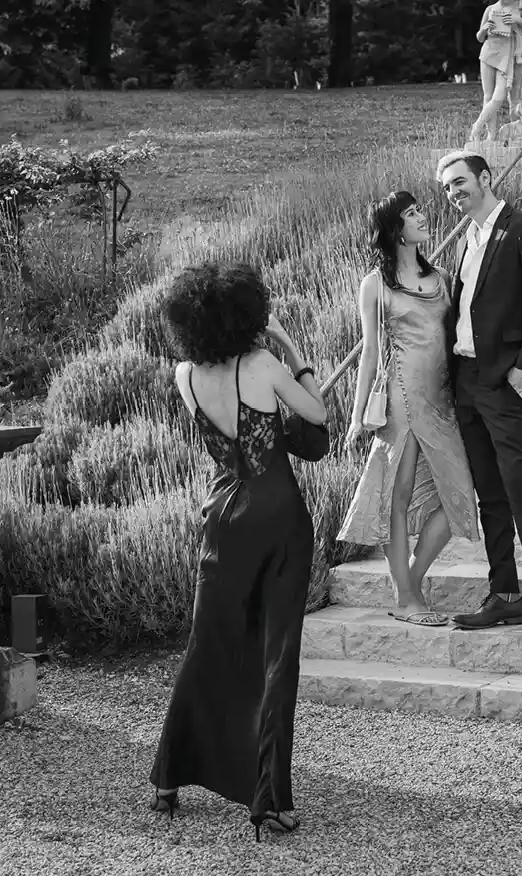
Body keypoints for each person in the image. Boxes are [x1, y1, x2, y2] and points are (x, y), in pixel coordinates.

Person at [150, 262, 329, 839]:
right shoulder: (261, 364)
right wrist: (288, 343)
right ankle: (269, 801)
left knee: (209, 645)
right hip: (278, 518)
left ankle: (167, 778)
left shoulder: (183, 374)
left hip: (221, 519)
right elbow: (318, 414)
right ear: (245, 315)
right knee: (278, 658)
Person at [434, 150, 522, 643]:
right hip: (467, 380)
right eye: (447, 187)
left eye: (460, 182)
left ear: (485, 177)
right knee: (489, 493)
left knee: (520, 488)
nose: (453, 193)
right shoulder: (466, 239)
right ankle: (505, 595)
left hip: (506, 380)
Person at [338, 192, 481, 627]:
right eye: (411, 214)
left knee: (460, 495)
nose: (422, 217)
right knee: (395, 501)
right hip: (401, 403)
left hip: (442, 402)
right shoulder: (375, 284)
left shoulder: (440, 277)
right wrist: (356, 415)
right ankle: (406, 598)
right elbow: (368, 354)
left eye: (419, 210)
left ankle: (412, 579)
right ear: (395, 230)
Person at [466, 0, 522, 142]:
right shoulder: (491, 9)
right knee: (488, 97)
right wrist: (484, 29)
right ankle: (491, 136)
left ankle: (476, 127)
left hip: (509, 56)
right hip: (489, 54)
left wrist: (516, 20)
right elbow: (479, 37)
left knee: (498, 97)